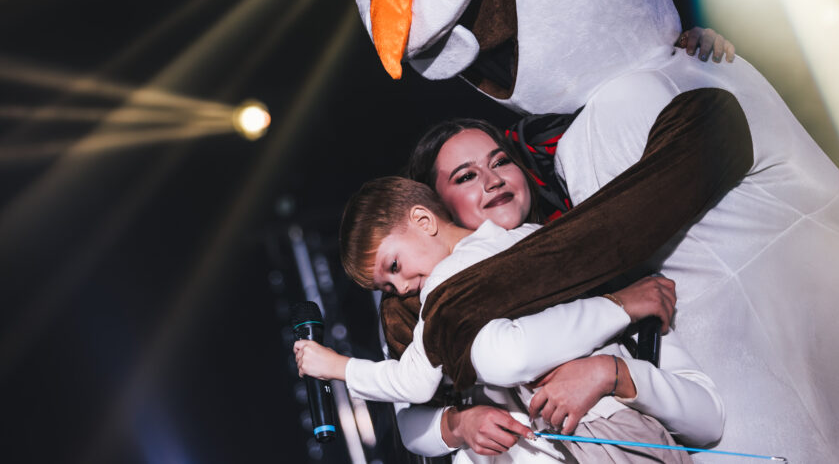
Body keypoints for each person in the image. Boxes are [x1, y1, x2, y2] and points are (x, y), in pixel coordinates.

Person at [294, 176, 722, 462]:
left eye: (394, 267)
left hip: (601, 432)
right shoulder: (530, 239)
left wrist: (335, 366)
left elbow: (414, 382)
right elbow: (414, 422)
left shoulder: (444, 286)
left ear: (423, 219)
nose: (402, 287)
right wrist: (459, 424)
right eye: (387, 288)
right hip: (629, 432)